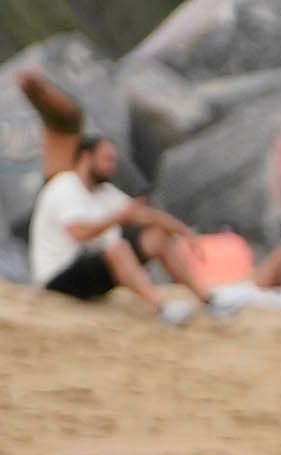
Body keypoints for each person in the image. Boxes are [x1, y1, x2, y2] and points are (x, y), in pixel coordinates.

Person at [25, 132, 207, 323]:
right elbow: (79, 234)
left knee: (157, 237)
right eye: (107, 159)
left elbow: (144, 215)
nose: (113, 166)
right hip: (58, 278)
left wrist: (185, 233)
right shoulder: (64, 187)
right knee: (117, 248)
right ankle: (161, 309)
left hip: (95, 273)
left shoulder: (105, 192)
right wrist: (118, 217)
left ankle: (209, 299)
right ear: (87, 157)